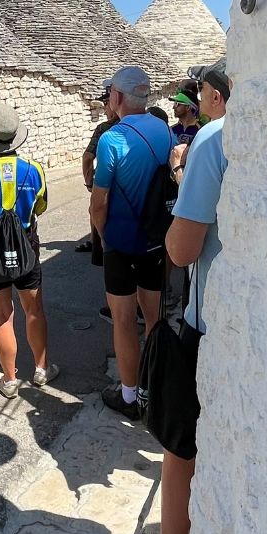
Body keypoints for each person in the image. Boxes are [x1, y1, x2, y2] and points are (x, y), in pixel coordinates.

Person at [125, 58, 230, 534]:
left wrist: (186, 184)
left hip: (208, 322)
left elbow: (182, 248)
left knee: (178, 447)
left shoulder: (215, 138)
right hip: (252, 323)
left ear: (215, 96)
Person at [90, 66, 175, 420]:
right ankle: (153, 388)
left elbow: (99, 201)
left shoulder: (112, 138)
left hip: (122, 242)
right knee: (154, 316)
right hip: (157, 239)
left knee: (124, 320)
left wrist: (103, 233)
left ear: (119, 96)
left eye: (111, 92)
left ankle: (129, 395)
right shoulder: (164, 130)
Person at [0, 103, 59, 399]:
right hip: (27, 250)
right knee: (34, 310)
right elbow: (40, 206)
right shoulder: (34, 170)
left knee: (2, 315)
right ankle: (41, 369)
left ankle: (9, 378)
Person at [76, 80, 117, 255]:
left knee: (96, 208)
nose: (105, 109)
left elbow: (87, 157)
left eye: (106, 104)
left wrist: (89, 182)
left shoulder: (104, 129)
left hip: (106, 180)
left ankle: (97, 244)